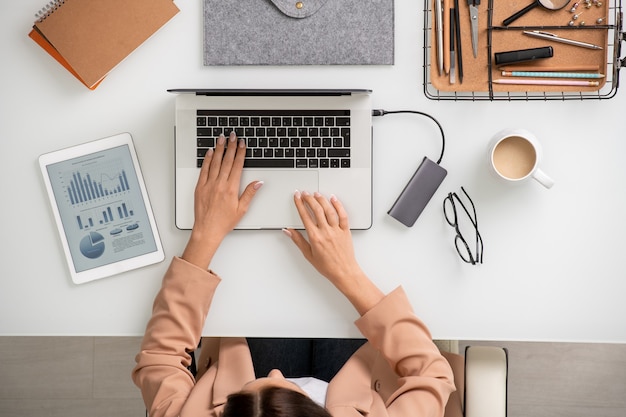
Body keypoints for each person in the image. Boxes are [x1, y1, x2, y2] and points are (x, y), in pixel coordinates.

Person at [132, 132, 456, 417]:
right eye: (286, 386)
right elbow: (432, 376)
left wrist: (205, 233)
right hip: (361, 378)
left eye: (250, 389)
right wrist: (346, 272)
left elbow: (160, 355)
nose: (276, 373)